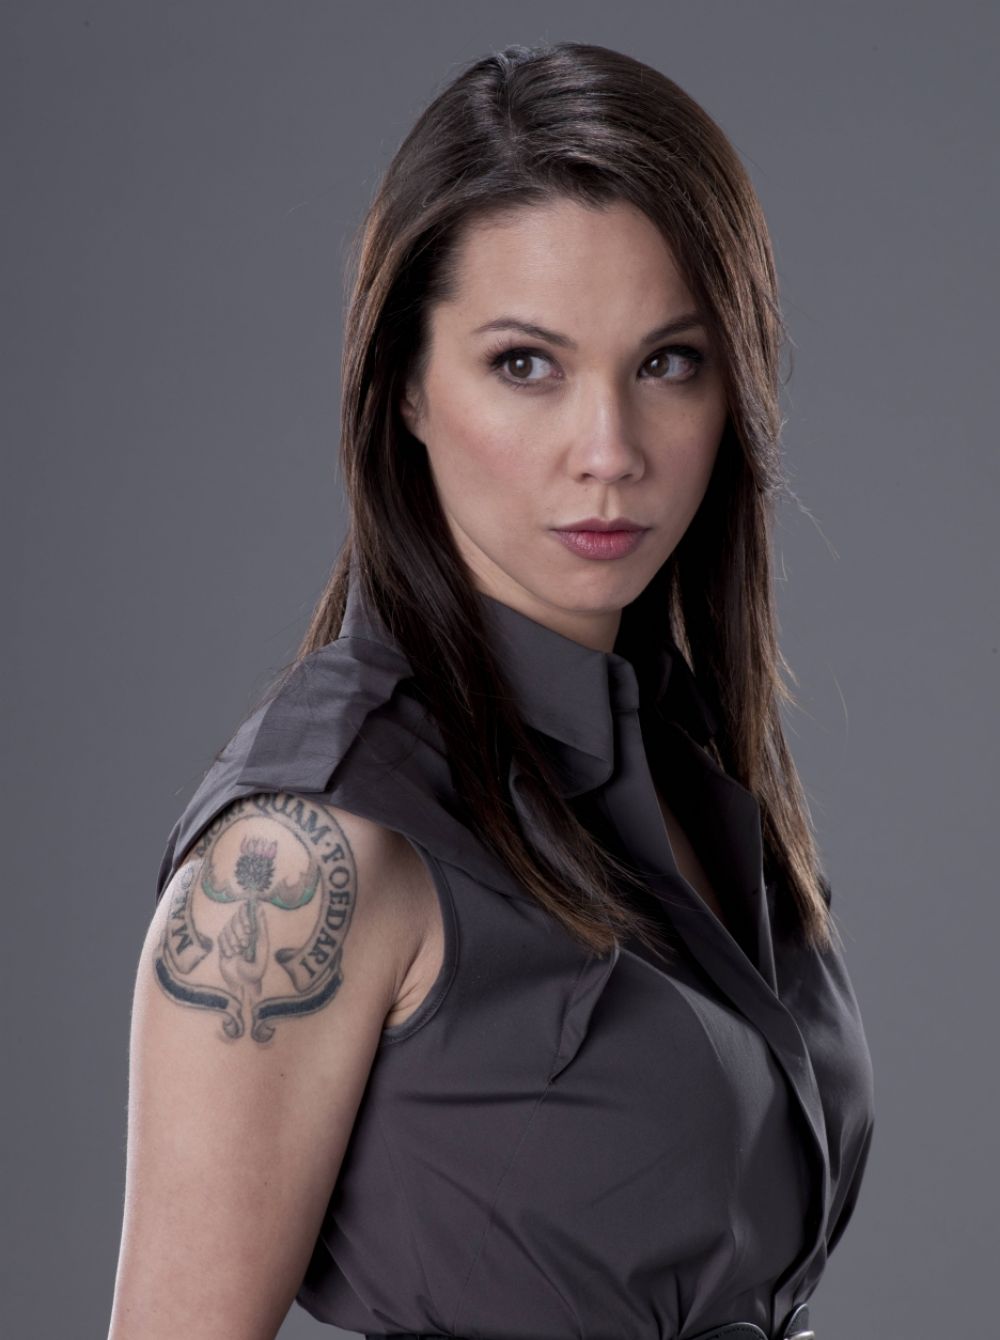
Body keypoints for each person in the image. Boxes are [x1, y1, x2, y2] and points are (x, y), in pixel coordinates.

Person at [108, 40, 875, 1340]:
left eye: (668, 362)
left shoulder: (680, 761)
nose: (609, 451)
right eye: (526, 364)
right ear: (406, 386)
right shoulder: (313, 848)